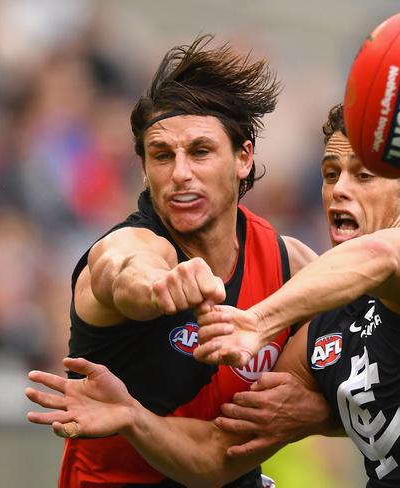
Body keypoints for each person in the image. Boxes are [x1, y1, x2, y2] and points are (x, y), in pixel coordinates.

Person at [27, 103, 400, 487]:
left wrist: (255, 321)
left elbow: (382, 258)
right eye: (330, 174)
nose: (340, 189)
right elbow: (217, 455)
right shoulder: (323, 328)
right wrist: (134, 419)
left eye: (364, 175)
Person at [48, 34, 329, 488]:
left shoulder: (291, 266)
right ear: (143, 169)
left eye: (200, 152)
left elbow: (361, 388)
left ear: (244, 157)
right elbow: (123, 271)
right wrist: (158, 287)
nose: (180, 174)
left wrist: (317, 413)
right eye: (162, 155)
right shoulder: (129, 247)